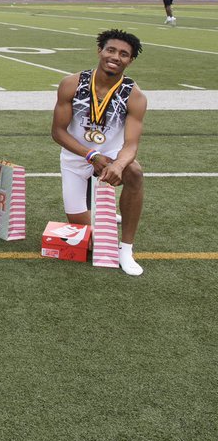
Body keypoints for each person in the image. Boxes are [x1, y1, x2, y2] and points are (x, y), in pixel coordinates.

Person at [52, 29, 148, 276]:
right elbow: (58, 132)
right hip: (77, 158)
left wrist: (118, 165)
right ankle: (99, 213)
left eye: (123, 54)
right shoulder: (72, 83)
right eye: (111, 50)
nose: (115, 57)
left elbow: (131, 144)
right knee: (92, 244)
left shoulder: (135, 95)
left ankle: (126, 249)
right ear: (100, 51)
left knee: (135, 172)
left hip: (112, 157)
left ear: (130, 60)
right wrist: (91, 155)